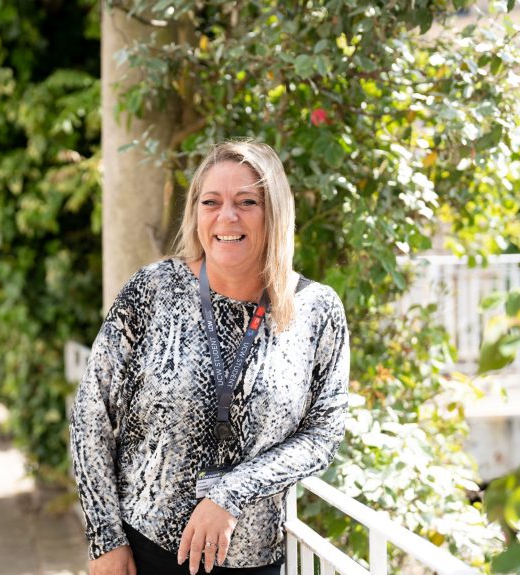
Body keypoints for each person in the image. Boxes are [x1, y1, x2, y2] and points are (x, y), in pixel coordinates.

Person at [70, 140, 349, 575]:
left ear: (274, 211)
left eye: (247, 202)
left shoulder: (317, 309)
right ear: (196, 212)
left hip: (253, 561)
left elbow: (323, 434)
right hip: (146, 552)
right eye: (212, 202)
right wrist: (104, 538)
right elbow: (91, 414)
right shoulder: (154, 290)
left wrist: (231, 492)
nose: (227, 217)